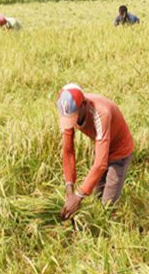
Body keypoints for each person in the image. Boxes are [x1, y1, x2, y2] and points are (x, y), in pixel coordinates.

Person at [56, 84, 135, 220]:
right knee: (97, 198)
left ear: (83, 105)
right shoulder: (69, 110)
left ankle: (110, 235)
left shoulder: (101, 113)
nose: (71, 122)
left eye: (73, 117)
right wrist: (70, 189)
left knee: (107, 206)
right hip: (101, 147)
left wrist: (78, 196)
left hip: (119, 151)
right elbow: (68, 151)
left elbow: (100, 164)